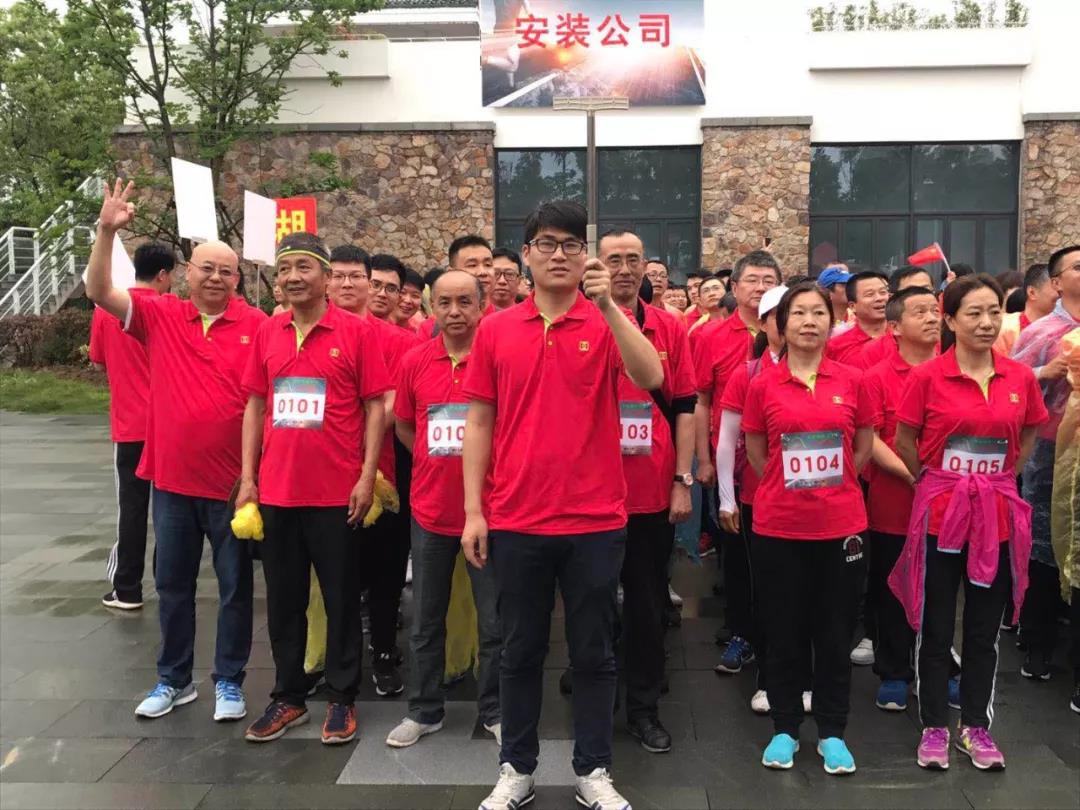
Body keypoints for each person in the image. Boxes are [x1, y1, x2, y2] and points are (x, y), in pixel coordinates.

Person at [462, 200, 662, 810]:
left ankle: (593, 768)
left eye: (571, 244)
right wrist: (474, 510)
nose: (558, 254)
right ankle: (516, 768)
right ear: (526, 254)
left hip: (595, 519)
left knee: (594, 651)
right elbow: (479, 420)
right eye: (546, 244)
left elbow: (651, 376)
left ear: (585, 256)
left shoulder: (604, 322)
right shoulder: (496, 329)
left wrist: (610, 307)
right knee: (519, 650)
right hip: (517, 517)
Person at [85, 180, 264, 723]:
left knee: (234, 589)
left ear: (237, 279)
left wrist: (254, 476)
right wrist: (106, 231)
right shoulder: (159, 315)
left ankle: (229, 681)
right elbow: (99, 291)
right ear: (187, 272)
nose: (215, 277)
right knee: (173, 586)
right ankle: (174, 679)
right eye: (206, 268)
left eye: (226, 271)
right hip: (171, 483)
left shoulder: (257, 326)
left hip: (232, 487)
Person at [891, 274, 1047, 771]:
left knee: (983, 629)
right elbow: (905, 440)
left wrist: (997, 480)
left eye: (993, 312)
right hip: (940, 516)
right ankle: (934, 725)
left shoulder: (1019, 378)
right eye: (973, 313)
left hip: (995, 518)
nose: (986, 323)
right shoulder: (927, 378)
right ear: (951, 320)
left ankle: (976, 725)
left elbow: (1027, 437)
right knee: (936, 626)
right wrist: (937, 481)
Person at [237, 233, 389, 744]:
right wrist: (248, 478)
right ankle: (289, 697)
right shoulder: (268, 331)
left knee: (342, 599)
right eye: (286, 269)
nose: (293, 277)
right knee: (284, 601)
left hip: (336, 494)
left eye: (304, 267)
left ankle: (342, 698)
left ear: (325, 277)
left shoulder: (356, 332)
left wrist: (366, 476)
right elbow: (255, 405)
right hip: (278, 492)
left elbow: (374, 406)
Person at [743, 282, 873, 775]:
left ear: (831, 321)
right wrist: (788, 487)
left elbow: (863, 445)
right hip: (780, 526)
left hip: (841, 525)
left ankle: (833, 731)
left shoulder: (853, 380)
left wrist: (834, 486)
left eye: (818, 312)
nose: (809, 322)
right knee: (783, 630)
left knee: (835, 632)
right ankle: (785, 727)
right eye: (798, 313)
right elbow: (757, 452)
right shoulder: (763, 385)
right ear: (781, 324)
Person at [385, 269, 503, 749]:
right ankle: (423, 710)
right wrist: (435, 462)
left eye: (464, 302)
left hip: (490, 513)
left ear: (481, 306)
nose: (454, 312)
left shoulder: (497, 359)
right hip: (430, 512)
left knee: (494, 622)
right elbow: (404, 427)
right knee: (425, 620)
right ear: (431, 307)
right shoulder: (414, 361)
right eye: (445, 303)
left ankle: (495, 710)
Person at [599, 228, 696, 754]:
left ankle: (643, 706)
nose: (624, 268)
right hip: (590, 496)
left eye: (632, 259)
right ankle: (595, 683)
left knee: (646, 601)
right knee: (590, 601)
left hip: (651, 493)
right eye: (613, 259)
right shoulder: (579, 324)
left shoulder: (669, 327)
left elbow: (684, 408)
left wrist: (682, 480)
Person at [716, 284, 809, 715]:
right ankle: (767, 671)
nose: (796, 324)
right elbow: (728, 440)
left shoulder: (836, 374)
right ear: (768, 323)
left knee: (810, 593)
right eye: (784, 315)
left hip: (818, 505)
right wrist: (727, 498)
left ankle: (806, 677)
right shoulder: (750, 375)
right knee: (767, 587)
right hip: (761, 498)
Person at [693, 250, 782, 673]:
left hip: (785, 468)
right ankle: (740, 630)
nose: (760, 287)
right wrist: (704, 459)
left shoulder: (797, 336)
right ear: (735, 286)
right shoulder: (709, 336)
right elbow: (700, 400)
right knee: (737, 552)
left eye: (769, 280)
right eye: (753, 280)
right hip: (733, 463)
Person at [862, 287, 941, 712]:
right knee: (892, 587)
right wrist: (915, 477)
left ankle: (940, 667)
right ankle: (894, 671)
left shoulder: (954, 370)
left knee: (940, 588)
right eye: (919, 312)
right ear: (894, 327)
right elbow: (871, 439)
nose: (931, 318)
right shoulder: (876, 377)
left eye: (935, 310)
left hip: (948, 504)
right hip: (895, 499)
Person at [90, 241, 175, 611]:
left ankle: (127, 588)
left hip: (130, 428)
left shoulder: (106, 311)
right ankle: (170, 582)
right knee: (170, 510)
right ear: (163, 275)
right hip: (168, 426)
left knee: (132, 509)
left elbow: (98, 361)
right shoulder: (170, 309)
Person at [1010, 246, 1080, 686]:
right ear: (1056, 283)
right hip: (1052, 450)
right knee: (1046, 543)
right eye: (1077, 267)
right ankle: (1037, 641)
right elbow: (1009, 385)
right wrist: (1045, 372)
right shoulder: (1043, 332)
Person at [364, 253, 423, 696]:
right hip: (333, 472)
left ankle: (384, 651)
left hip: (392, 470)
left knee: (386, 570)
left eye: (392, 287)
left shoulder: (406, 344)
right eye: (375, 284)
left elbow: (401, 411)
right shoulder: (333, 333)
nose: (382, 294)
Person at [851, 265, 937, 371]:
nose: (921, 297)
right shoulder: (873, 353)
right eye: (911, 292)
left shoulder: (949, 344)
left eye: (926, 290)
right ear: (892, 298)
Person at [826, 271, 890, 365]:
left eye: (883, 292)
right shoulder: (836, 346)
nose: (879, 298)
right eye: (870, 294)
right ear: (852, 306)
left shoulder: (905, 337)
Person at [994, 263, 1059, 355]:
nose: (1061, 291)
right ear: (1032, 292)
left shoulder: (1069, 328)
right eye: (1055, 285)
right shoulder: (1005, 328)